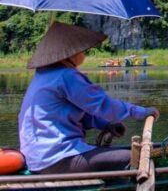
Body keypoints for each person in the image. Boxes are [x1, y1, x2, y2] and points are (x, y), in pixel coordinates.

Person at [18, 22, 159, 174]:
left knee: (119, 155)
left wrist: (105, 124)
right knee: (130, 158)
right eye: (82, 51)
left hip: (37, 160)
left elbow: (78, 114)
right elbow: (102, 105)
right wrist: (142, 112)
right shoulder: (66, 76)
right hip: (57, 158)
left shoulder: (42, 76)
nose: (83, 54)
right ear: (71, 54)